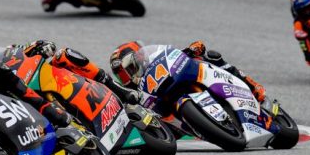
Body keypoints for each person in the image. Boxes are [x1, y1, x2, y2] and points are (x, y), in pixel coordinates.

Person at [0, 40, 140, 107]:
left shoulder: (6, 52)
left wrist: (42, 46)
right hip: (21, 103)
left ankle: (117, 89)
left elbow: (28, 48)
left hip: (35, 78)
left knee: (64, 55)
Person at [109, 40, 266, 103]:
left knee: (211, 57)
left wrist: (191, 50)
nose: (127, 77)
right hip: (173, 120)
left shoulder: (158, 57)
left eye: (129, 69)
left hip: (179, 77)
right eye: (121, 75)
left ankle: (251, 86)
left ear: (139, 57)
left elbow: (179, 54)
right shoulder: (132, 95)